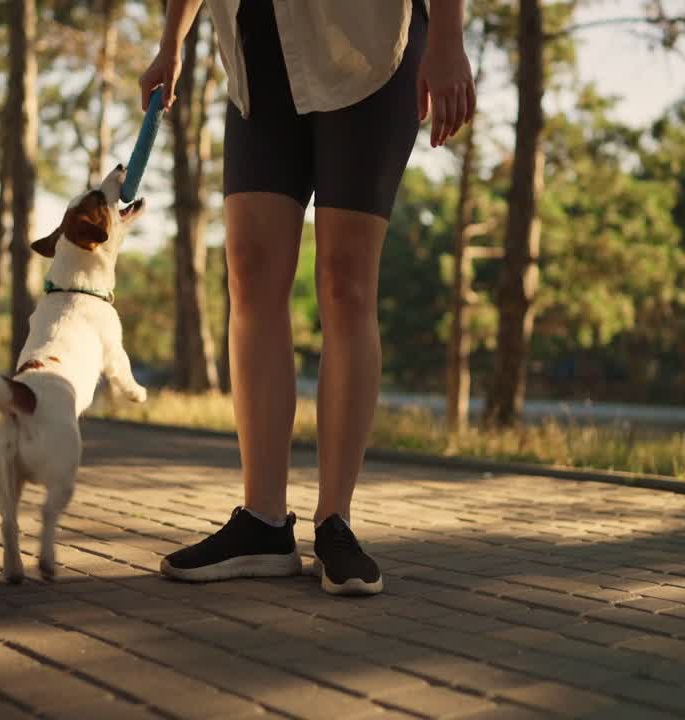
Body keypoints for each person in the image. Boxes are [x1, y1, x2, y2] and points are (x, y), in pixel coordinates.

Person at [142, 0, 475, 596]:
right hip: (258, 48)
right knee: (250, 273)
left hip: (369, 44)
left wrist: (448, 40)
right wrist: (171, 42)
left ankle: (335, 522)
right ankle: (263, 522)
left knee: (346, 282)